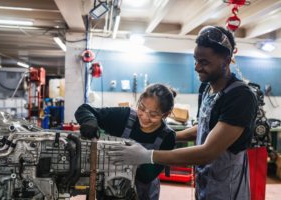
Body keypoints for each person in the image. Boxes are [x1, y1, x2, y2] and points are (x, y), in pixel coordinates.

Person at [108, 26, 258, 200]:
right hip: (205, 181)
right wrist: (165, 135)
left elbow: (208, 152)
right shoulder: (206, 87)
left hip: (227, 186)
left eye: (204, 62)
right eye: (195, 60)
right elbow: (205, 129)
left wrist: (146, 156)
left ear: (226, 60)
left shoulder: (240, 97)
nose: (196, 68)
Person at [74, 83, 177, 200]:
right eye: (142, 108)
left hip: (143, 194)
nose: (144, 116)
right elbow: (84, 109)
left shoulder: (167, 137)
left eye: (153, 115)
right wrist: (90, 120)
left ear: (166, 114)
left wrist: (136, 157)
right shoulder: (125, 116)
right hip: (109, 191)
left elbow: (147, 176)